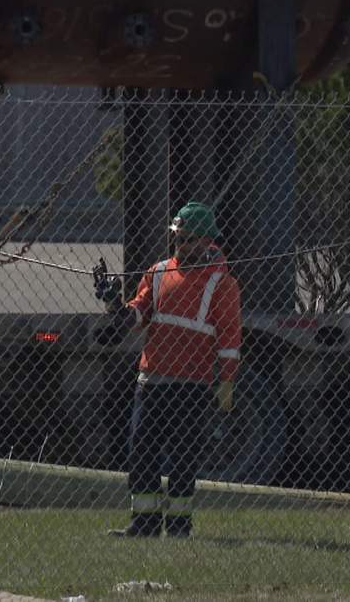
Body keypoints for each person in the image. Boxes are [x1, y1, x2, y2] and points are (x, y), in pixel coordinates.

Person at [94, 201, 241, 538]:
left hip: (192, 384)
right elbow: (137, 316)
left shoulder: (222, 283)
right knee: (141, 454)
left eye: (189, 239)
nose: (182, 245)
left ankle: (178, 528)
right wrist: (113, 303)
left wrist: (227, 381)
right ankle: (143, 524)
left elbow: (230, 337)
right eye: (179, 238)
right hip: (152, 380)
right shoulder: (158, 272)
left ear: (207, 241)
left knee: (183, 459)